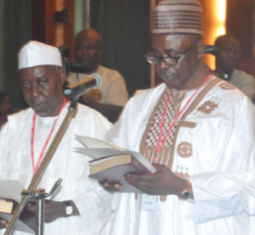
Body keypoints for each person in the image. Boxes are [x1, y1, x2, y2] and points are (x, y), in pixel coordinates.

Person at [101, 1, 255, 235]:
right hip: (139, 224)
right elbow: (115, 154)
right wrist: (112, 179)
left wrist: (184, 187)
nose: (163, 66)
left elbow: (249, 183)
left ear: (200, 49)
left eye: (173, 56)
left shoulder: (234, 106)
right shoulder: (141, 103)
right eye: (156, 56)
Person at [0, 41, 113, 235]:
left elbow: (111, 191)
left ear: (61, 75)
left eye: (42, 82)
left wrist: (65, 208)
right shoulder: (14, 126)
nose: (34, 93)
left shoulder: (93, 124)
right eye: (26, 84)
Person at [67, 28, 129, 106]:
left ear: (100, 51)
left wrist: (86, 102)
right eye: (79, 47)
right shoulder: (65, 78)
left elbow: (117, 113)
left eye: (90, 47)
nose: (84, 52)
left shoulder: (113, 77)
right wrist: (85, 99)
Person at [214, 34, 255, 101]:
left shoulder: (245, 80)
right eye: (227, 50)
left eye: (236, 52)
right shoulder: (206, 78)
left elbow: (239, 105)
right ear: (215, 51)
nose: (232, 55)